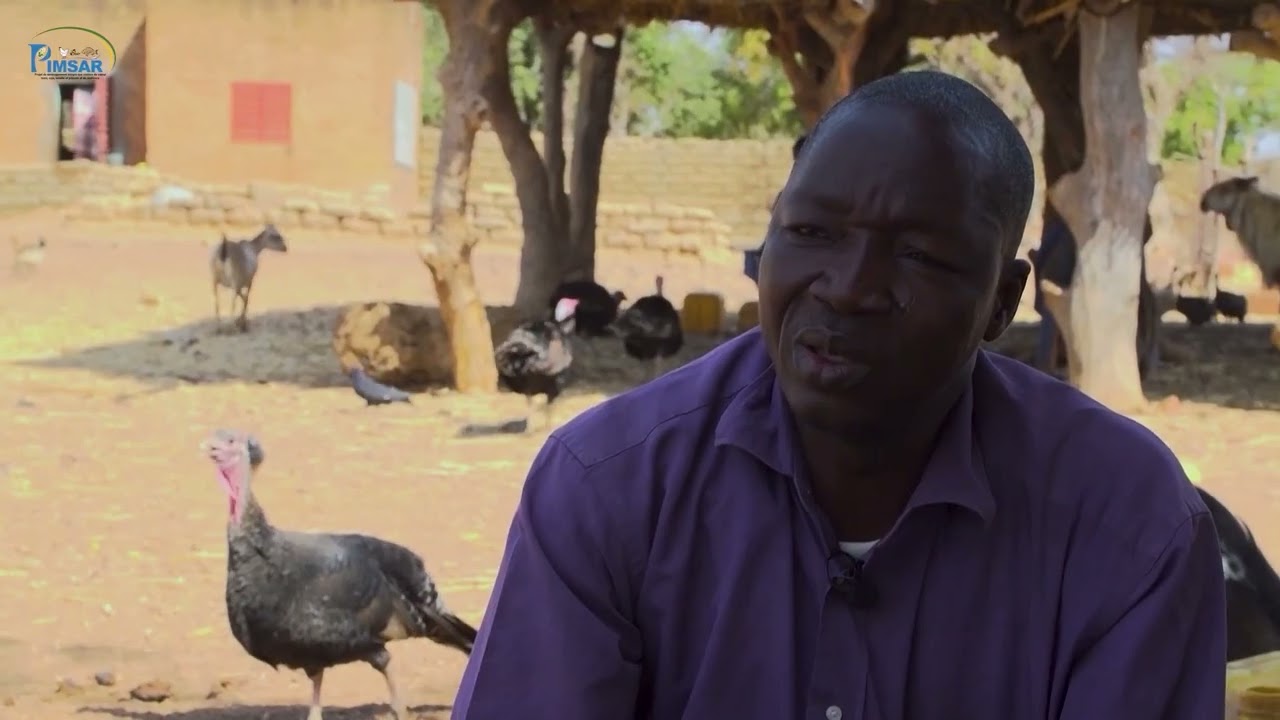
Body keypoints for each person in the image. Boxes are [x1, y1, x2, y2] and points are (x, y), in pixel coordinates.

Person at [452, 70, 1225, 719]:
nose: (850, 288)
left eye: (919, 255)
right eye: (812, 234)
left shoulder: (1126, 524)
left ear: (1001, 300)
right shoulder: (610, 487)